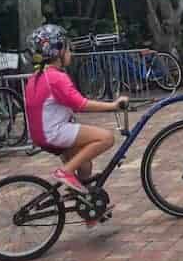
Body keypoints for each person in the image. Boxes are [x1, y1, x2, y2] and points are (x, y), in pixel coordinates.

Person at [25, 24, 128, 194]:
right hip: (54, 133)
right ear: (57, 52)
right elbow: (80, 104)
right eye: (68, 49)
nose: (70, 53)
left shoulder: (37, 76)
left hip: (41, 135)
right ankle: (65, 172)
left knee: (85, 163)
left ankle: (88, 205)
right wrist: (114, 105)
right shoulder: (56, 77)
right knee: (106, 138)